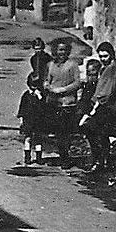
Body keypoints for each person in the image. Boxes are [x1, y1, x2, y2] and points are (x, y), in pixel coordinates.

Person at [79, 42, 116, 172]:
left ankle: (100, 161)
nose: (103, 59)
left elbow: (107, 91)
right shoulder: (106, 68)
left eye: (105, 56)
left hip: (105, 106)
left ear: (111, 55)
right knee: (100, 134)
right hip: (102, 105)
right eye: (101, 56)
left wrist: (94, 108)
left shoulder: (112, 69)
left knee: (94, 131)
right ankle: (102, 161)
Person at [44, 38, 80, 166]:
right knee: (57, 132)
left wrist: (63, 90)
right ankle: (61, 155)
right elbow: (47, 80)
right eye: (59, 50)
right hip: (54, 102)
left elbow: (77, 82)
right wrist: (47, 86)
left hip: (67, 103)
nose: (62, 53)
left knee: (65, 132)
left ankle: (66, 158)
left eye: (64, 50)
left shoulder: (72, 65)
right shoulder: (50, 65)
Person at [17, 72, 46, 164]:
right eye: (32, 85)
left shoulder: (41, 95)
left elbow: (44, 107)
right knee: (28, 138)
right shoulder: (26, 95)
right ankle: (27, 157)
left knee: (38, 139)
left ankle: (38, 157)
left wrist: (40, 96)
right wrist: (21, 120)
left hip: (38, 120)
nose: (34, 88)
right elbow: (22, 108)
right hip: (28, 120)